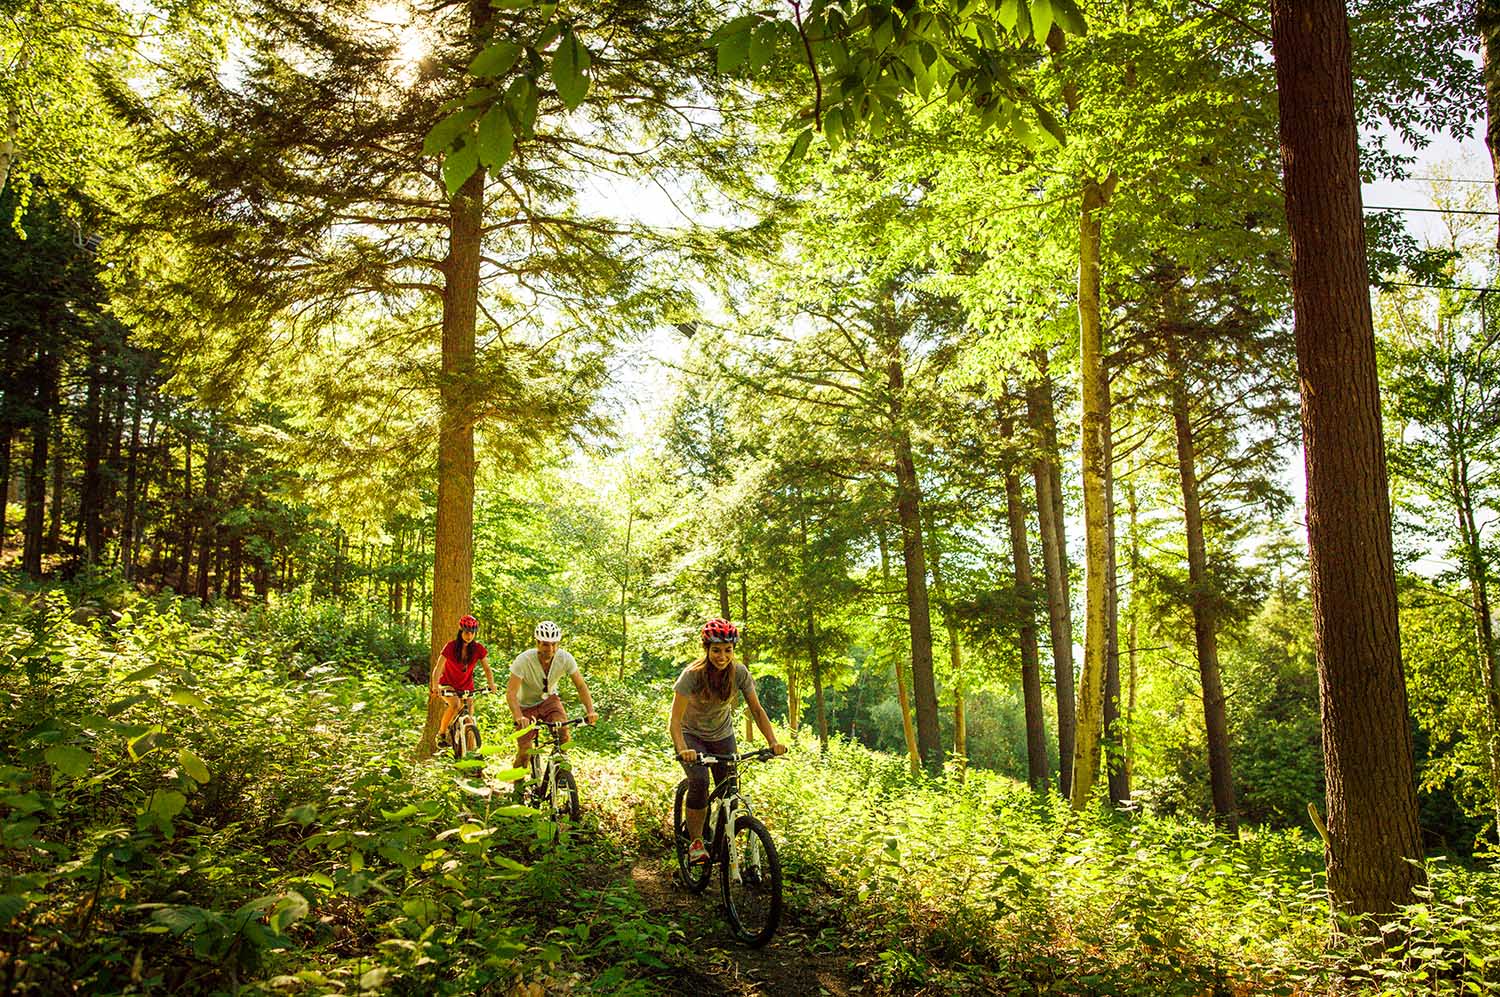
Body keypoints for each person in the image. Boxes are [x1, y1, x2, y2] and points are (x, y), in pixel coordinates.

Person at [670, 617, 785, 864]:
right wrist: (682, 749)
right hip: (692, 735)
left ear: (733, 650)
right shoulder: (692, 675)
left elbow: (756, 710)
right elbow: (675, 720)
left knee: (730, 792)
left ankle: (723, 842)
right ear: (707, 649)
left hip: (722, 735)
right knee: (700, 781)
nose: (722, 656)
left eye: (727, 650)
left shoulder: (739, 672)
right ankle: (696, 842)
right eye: (716, 650)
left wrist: (773, 741)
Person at [508, 620, 599, 772]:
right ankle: (518, 783)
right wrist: (518, 716)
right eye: (545, 644)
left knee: (563, 732)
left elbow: (581, 686)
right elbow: (511, 692)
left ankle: (558, 769)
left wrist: (590, 711)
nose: (550, 649)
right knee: (525, 751)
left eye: (554, 644)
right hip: (525, 706)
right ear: (537, 643)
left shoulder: (565, 658)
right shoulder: (523, 660)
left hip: (549, 701)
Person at [429, 614, 498, 745]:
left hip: (466, 687)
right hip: (447, 685)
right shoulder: (450, 646)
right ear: (461, 631)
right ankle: (442, 734)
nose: (469, 636)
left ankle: (471, 751)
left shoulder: (478, 648)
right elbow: (438, 668)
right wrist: (435, 686)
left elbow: (487, 669)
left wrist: (491, 684)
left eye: (472, 633)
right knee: (455, 705)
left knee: (469, 719)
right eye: (466, 632)